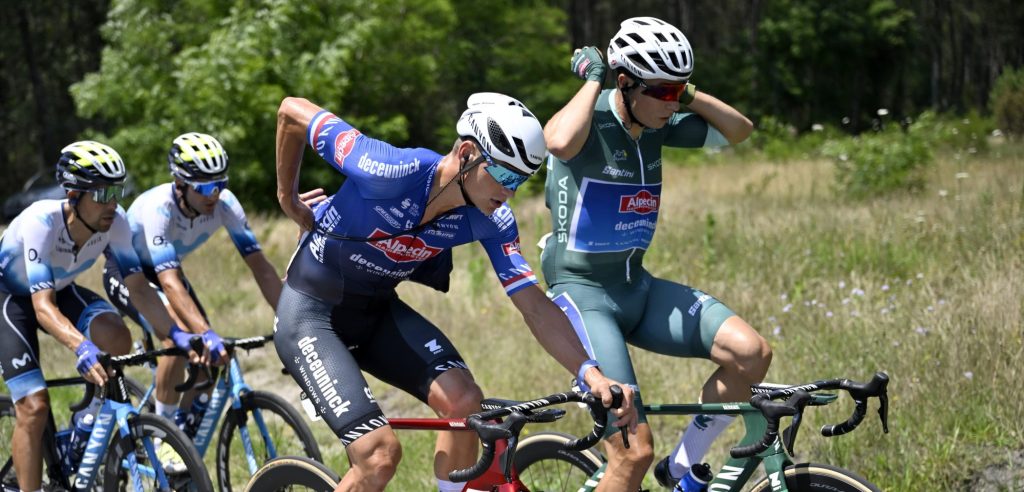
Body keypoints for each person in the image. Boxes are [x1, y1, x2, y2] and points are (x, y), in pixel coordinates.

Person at [273, 92, 637, 492]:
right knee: (378, 456)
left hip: (375, 311)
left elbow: (533, 304)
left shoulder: (492, 218)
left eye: (521, 180)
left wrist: (589, 373)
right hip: (311, 312)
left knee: (465, 404)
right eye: (505, 175)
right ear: (467, 153)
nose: (511, 192)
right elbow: (291, 112)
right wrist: (287, 198)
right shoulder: (387, 168)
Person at [541, 17, 771, 490]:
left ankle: (684, 468)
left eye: (677, 92)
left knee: (751, 354)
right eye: (660, 92)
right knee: (632, 452)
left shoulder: (658, 125)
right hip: (582, 295)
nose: (671, 103)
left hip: (636, 288)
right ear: (625, 83)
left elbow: (739, 130)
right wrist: (592, 80)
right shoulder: (590, 120)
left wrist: (683, 93)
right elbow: (558, 142)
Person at [0, 141, 217, 492]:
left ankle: (85, 425)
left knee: (117, 335)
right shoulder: (40, 222)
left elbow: (140, 290)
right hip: (11, 300)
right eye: (102, 193)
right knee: (34, 406)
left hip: (60, 289)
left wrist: (177, 336)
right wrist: (81, 347)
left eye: (116, 190)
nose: (113, 202)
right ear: (73, 194)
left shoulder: (115, 222)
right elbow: (42, 307)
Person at [102, 132, 281, 436]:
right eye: (206, 187)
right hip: (127, 273)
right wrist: (206, 333)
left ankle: (185, 444)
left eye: (221, 184)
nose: (215, 194)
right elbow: (169, 283)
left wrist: (290, 318)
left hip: (166, 269)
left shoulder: (225, 204)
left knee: (208, 357)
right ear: (180, 184)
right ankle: (163, 435)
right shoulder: (160, 209)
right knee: (178, 339)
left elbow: (261, 268)